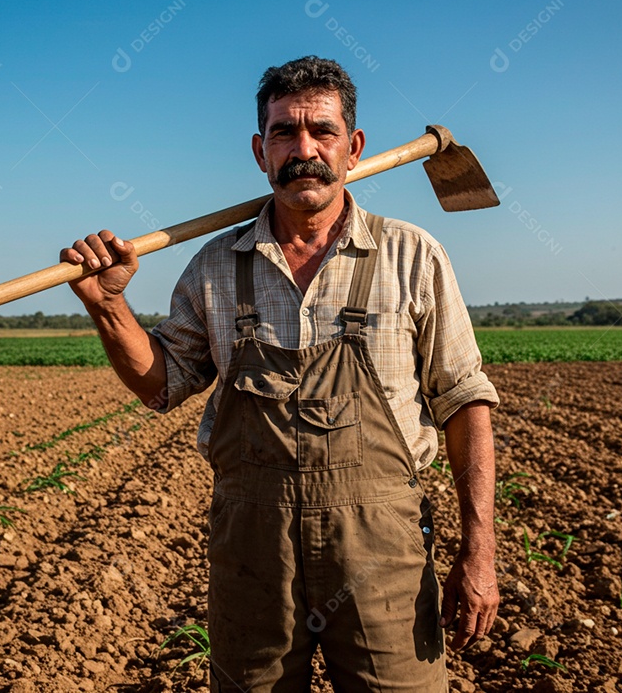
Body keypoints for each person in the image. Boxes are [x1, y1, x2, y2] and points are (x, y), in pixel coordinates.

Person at [62, 56, 500, 692]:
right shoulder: (215, 266)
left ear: (352, 147)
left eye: (321, 132)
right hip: (253, 556)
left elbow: (464, 402)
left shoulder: (412, 255)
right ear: (258, 151)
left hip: (383, 552)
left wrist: (479, 549)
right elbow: (162, 385)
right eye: (284, 134)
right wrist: (108, 306)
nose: (304, 150)